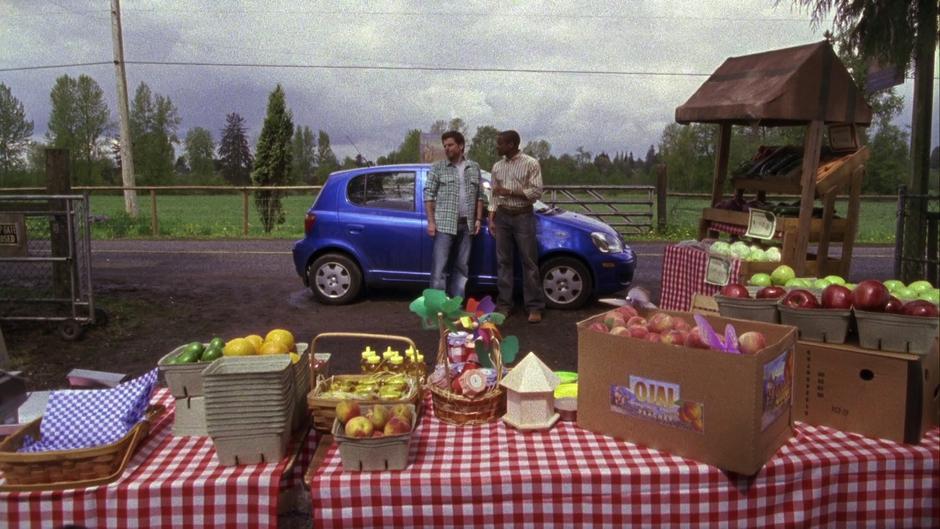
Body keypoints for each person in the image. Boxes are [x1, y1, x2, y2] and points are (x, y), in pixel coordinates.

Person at [489, 130, 545, 323]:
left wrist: (510, 191)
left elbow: (536, 192)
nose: (497, 147)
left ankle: (534, 307)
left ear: (511, 144)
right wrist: (491, 218)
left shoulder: (531, 163)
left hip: (523, 216)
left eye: (500, 143)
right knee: (503, 262)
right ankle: (504, 305)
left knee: (529, 262)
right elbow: (494, 195)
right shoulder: (497, 166)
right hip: (503, 216)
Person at [424, 130, 484, 299]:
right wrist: (431, 222)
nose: (447, 148)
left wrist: (478, 219)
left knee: (462, 267)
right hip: (444, 225)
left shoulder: (474, 167)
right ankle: (437, 307)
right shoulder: (438, 168)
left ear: (461, 146)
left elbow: (480, 195)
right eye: (445, 146)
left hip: (468, 226)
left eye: (450, 145)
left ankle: (455, 304)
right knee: (439, 268)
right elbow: (429, 195)